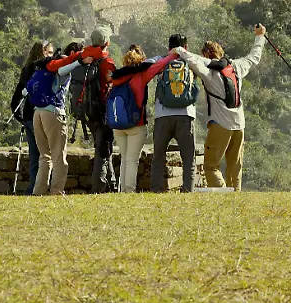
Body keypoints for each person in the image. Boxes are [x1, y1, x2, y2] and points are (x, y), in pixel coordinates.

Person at [172, 24, 266, 191]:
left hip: (220, 124)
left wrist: (178, 49)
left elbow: (192, 60)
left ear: (206, 54)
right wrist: (260, 36)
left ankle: (224, 196)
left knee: (211, 166)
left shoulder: (209, 72)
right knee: (235, 167)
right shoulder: (236, 66)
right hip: (239, 124)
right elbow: (254, 57)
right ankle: (235, 196)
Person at [108, 45, 179, 192]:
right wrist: (174, 54)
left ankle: (123, 190)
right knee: (132, 159)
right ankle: (129, 190)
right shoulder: (141, 76)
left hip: (118, 124)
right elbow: (159, 65)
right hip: (136, 124)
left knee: (124, 158)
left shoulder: (117, 78)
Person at [26, 44, 92, 196]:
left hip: (38, 112)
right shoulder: (61, 65)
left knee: (44, 156)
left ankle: (38, 191)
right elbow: (62, 71)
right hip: (53, 111)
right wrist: (79, 62)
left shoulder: (45, 66)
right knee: (58, 156)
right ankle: (56, 191)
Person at [150, 33, 199, 192]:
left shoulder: (161, 61)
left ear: (168, 47)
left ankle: (156, 189)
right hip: (186, 115)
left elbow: (145, 66)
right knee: (188, 158)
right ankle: (188, 190)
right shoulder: (190, 62)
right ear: (185, 47)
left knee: (158, 156)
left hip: (162, 115)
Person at [10, 40, 52, 195]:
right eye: (49, 52)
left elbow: (16, 97)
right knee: (46, 154)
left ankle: (33, 187)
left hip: (28, 117)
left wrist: (21, 118)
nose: (51, 56)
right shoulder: (42, 69)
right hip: (40, 115)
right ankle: (42, 187)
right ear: (43, 52)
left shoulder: (26, 69)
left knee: (35, 155)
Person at [81, 27, 118, 193]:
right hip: (103, 111)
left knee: (104, 146)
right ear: (107, 43)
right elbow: (115, 83)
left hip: (88, 111)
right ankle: (99, 187)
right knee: (102, 149)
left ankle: (112, 185)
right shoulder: (107, 63)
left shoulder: (85, 60)